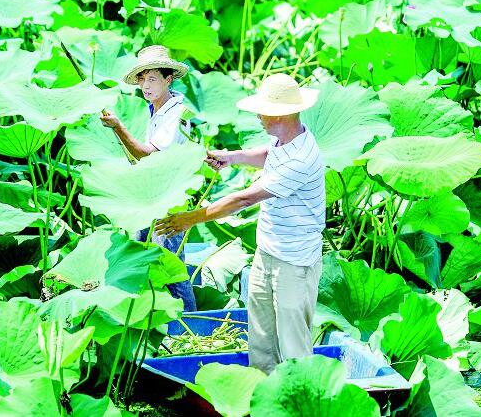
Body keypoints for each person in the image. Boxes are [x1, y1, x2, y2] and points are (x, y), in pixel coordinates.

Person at [155, 73, 325, 374]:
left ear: (282, 114)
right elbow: (269, 154)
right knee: (260, 337)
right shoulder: (287, 138)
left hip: (294, 262)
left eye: (263, 111)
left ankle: (303, 400)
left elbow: (245, 199)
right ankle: (265, 394)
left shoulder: (303, 159)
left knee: (293, 343)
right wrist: (231, 157)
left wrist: (190, 219)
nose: (258, 116)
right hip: (268, 250)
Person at [99, 44, 197, 312]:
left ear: (168, 79)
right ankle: (157, 324)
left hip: (169, 200)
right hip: (151, 196)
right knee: (144, 259)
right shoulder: (156, 110)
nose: (145, 85)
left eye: (152, 79)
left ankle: (191, 332)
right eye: (142, 79)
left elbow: (149, 155)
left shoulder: (176, 113)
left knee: (170, 269)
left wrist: (119, 128)